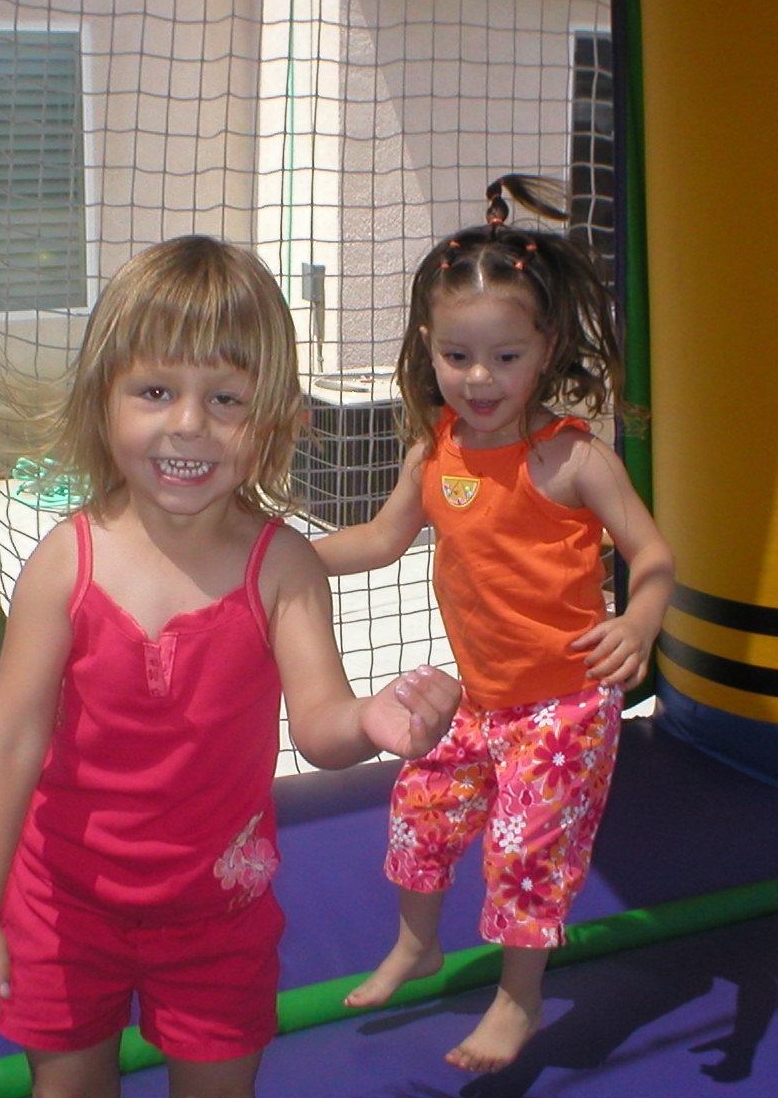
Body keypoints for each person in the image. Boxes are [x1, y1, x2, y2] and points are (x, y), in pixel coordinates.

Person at [0, 235, 461, 1098]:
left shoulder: (282, 568)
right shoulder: (67, 563)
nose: (189, 423)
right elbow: (8, 741)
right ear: (103, 400)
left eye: (226, 399)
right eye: (156, 392)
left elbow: (320, 725)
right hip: (62, 903)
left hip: (217, 915)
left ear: (273, 420)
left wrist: (372, 721)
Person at [314, 176, 675, 1074]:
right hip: (481, 698)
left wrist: (639, 619)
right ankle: (417, 945)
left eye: (506, 357)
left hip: (565, 705)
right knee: (419, 811)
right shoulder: (434, 450)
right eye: (458, 355)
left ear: (546, 349)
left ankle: (520, 998)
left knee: (523, 851)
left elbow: (655, 556)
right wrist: (283, 554)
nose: (480, 379)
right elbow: (380, 540)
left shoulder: (571, 458)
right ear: (427, 348)